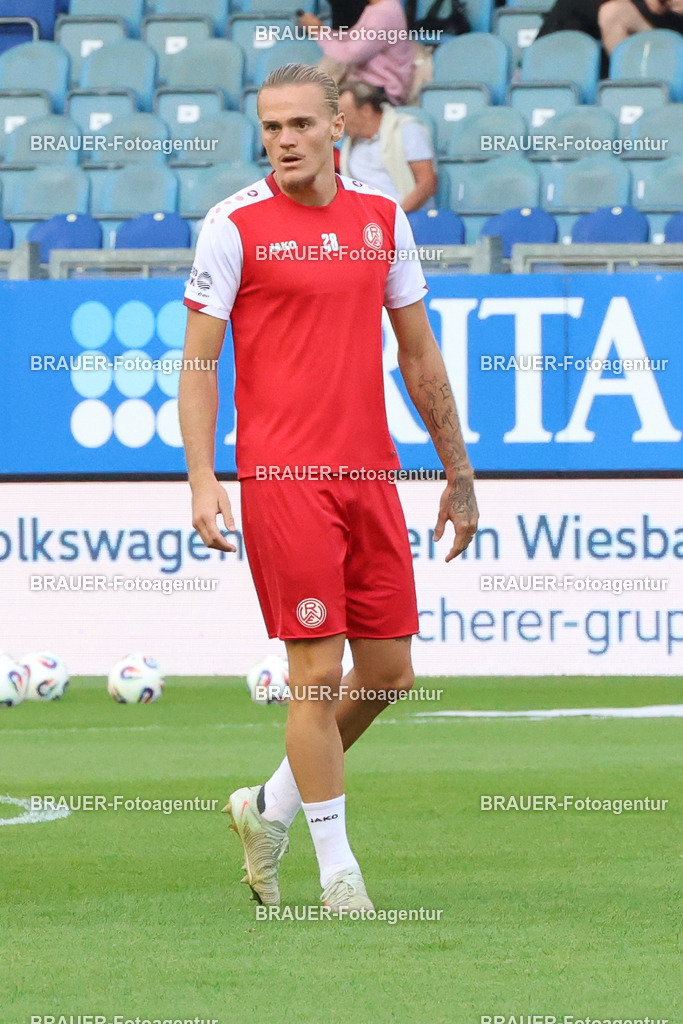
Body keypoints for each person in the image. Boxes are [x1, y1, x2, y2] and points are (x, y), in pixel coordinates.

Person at [179, 62, 478, 914]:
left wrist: (456, 473)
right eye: (270, 127)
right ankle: (338, 875)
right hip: (282, 479)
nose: (283, 141)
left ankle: (266, 808)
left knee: (386, 672)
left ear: (337, 127)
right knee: (313, 675)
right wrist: (204, 478)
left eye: (300, 126)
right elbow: (198, 364)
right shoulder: (234, 223)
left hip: (369, 475)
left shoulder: (381, 218)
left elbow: (418, 356)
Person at [338, 80, 437, 211]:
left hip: (405, 218)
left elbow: (427, 183)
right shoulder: (349, 145)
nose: (339, 121)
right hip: (364, 222)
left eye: (344, 114)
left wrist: (396, 217)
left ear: (366, 110)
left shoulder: (407, 130)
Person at [298, 0, 417, 104]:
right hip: (363, 85)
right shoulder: (376, 9)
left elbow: (347, 55)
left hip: (381, 91)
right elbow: (350, 40)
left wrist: (319, 32)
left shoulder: (384, 13)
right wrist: (321, 30)